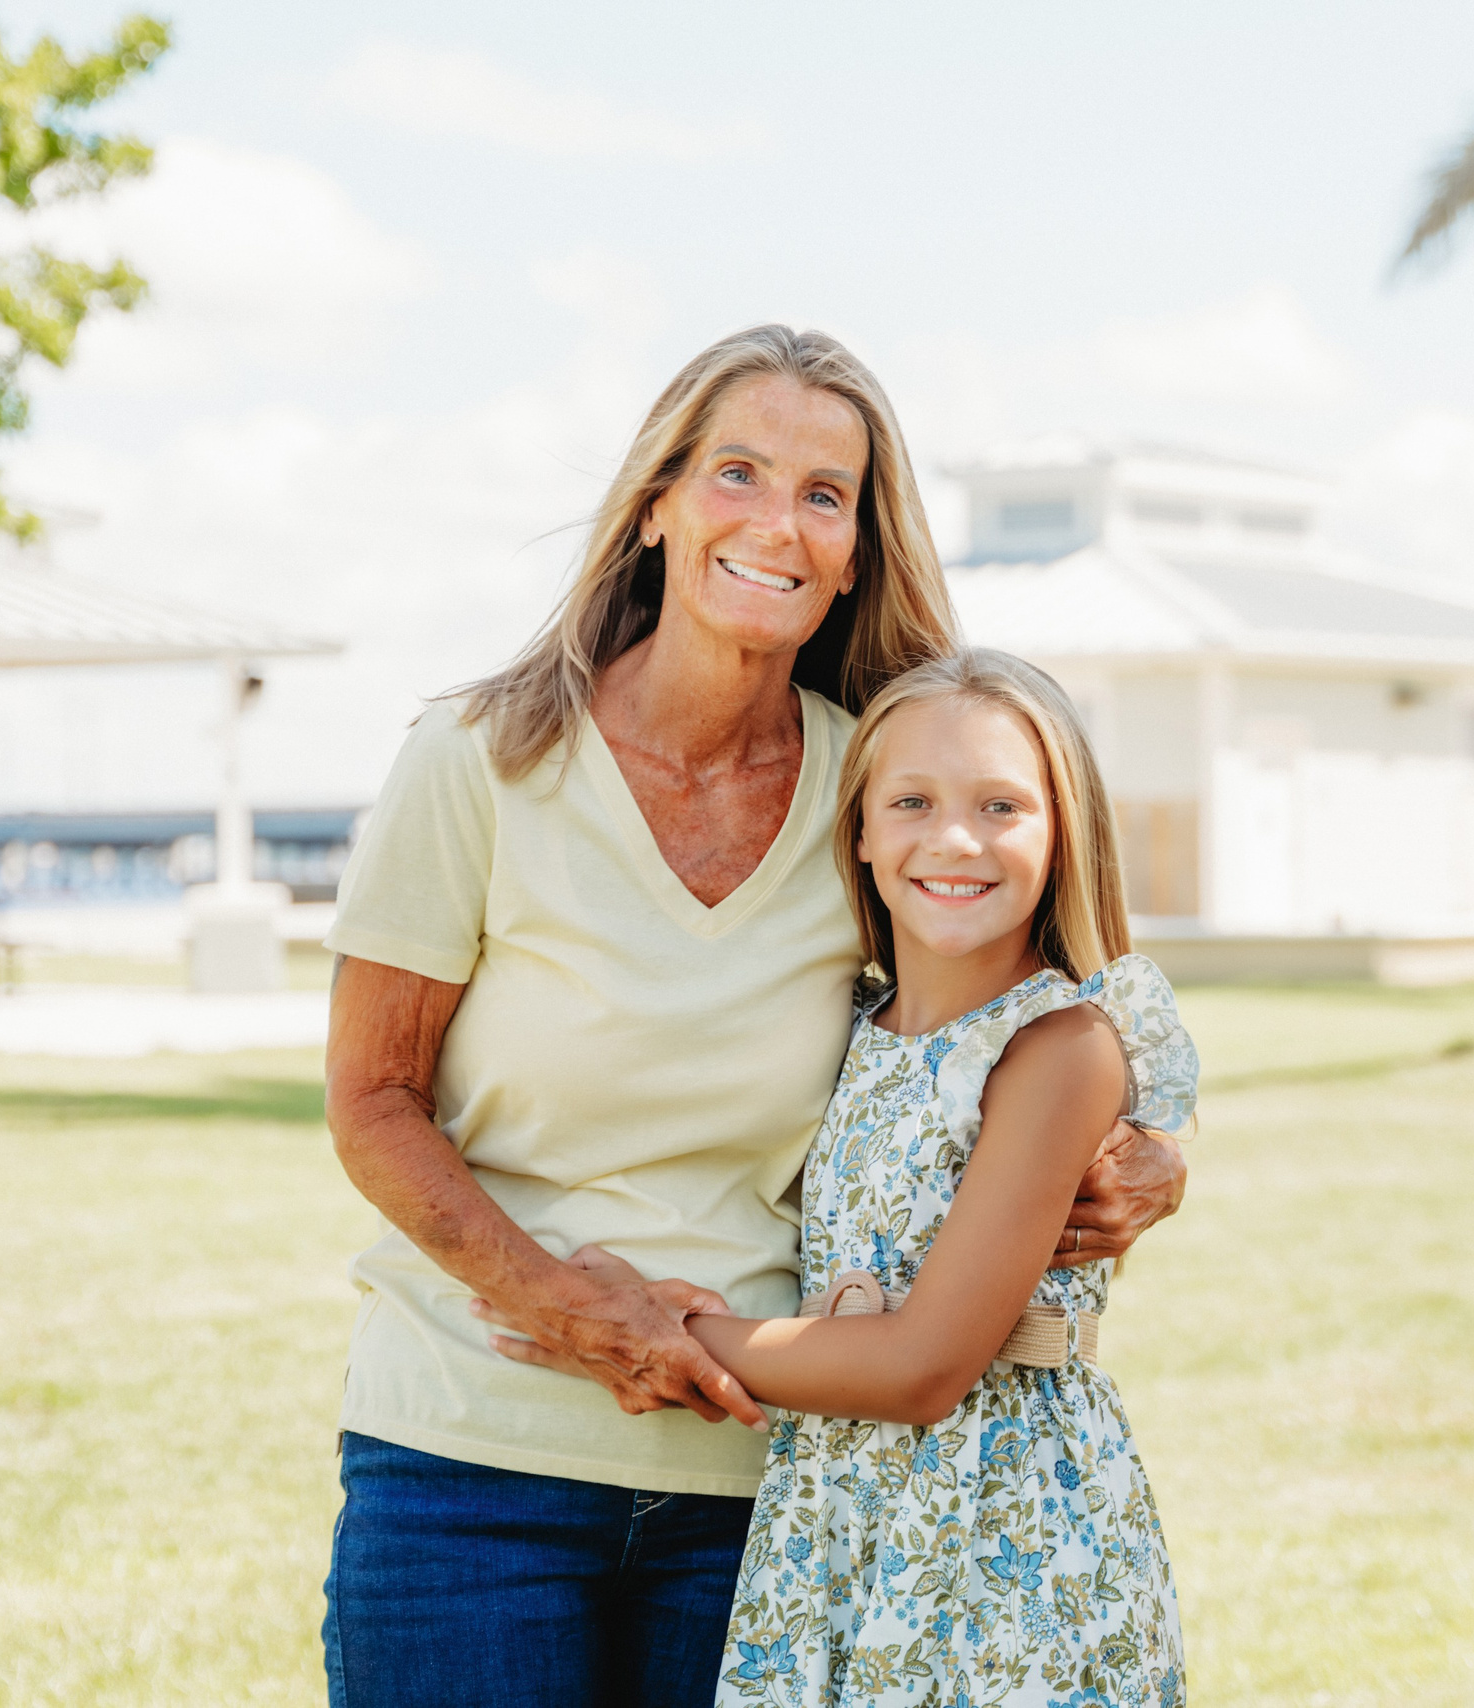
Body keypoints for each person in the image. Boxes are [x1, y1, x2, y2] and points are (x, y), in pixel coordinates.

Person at [319, 326, 1190, 1708]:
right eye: (737, 472)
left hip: (766, 1491)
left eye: (826, 495)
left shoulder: (890, 786)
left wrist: (1145, 1149)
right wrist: (566, 1303)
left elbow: (1030, 1010)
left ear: (856, 552)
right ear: (657, 505)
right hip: (470, 1465)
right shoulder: (477, 760)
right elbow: (372, 1105)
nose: (777, 523)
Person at [485, 648, 1192, 1707]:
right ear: (858, 830)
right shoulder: (855, 1023)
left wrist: (648, 1329)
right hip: (840, 1521)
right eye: (910, 800)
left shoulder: (1058, 1048)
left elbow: (923, 1366)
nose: (953, 839)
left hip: (1004, 1542)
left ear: (1064, 831)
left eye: (1001, 805)